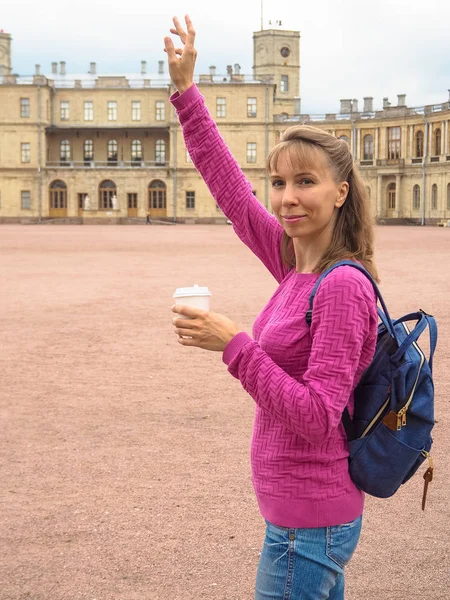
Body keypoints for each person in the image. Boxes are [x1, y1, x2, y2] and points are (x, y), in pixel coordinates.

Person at [166, 16, 379, 600]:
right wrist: (187, 94)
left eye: (305, 181)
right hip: (298, 515)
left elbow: (316, 417)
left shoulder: (340, 286)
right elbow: (233, 192)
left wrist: (235, 344)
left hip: (309, 523)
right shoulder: (295, 267)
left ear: (340, 193)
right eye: (279, 182)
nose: (287, 197)